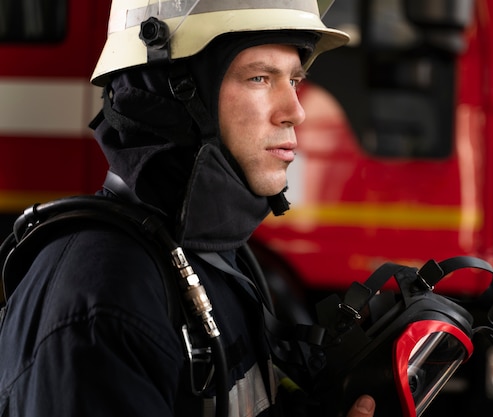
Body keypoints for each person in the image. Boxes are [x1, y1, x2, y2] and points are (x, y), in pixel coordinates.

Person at [0, 0, 376, 416]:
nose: (295, 111)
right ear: (172, 92)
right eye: (259, 78)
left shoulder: (217, 261)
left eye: (295, 80)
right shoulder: (105, 300)